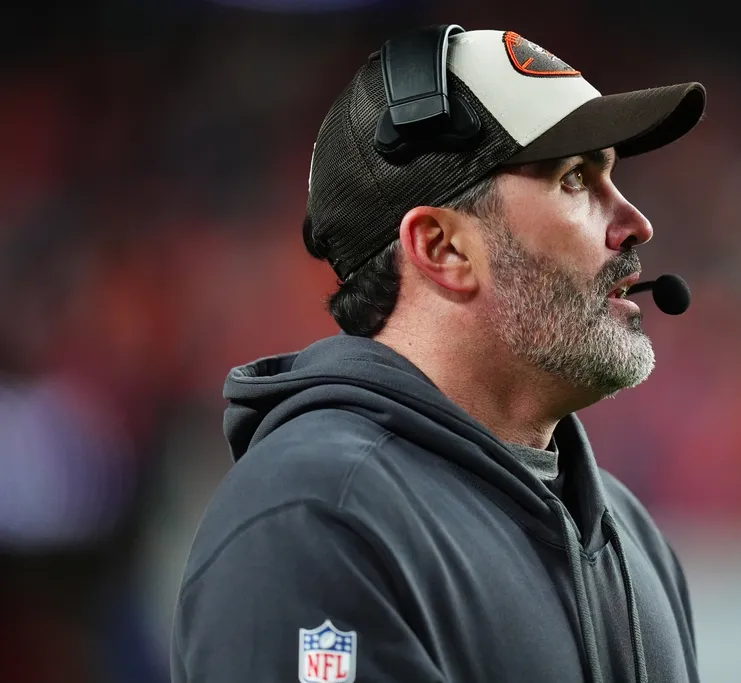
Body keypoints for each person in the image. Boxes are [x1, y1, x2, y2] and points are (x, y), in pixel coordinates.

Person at [171, 25, 706, 683]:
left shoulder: (631, 535)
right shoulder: (316, 519)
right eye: (574, 178)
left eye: (611, 173)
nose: (635, 222)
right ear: (443, 248)